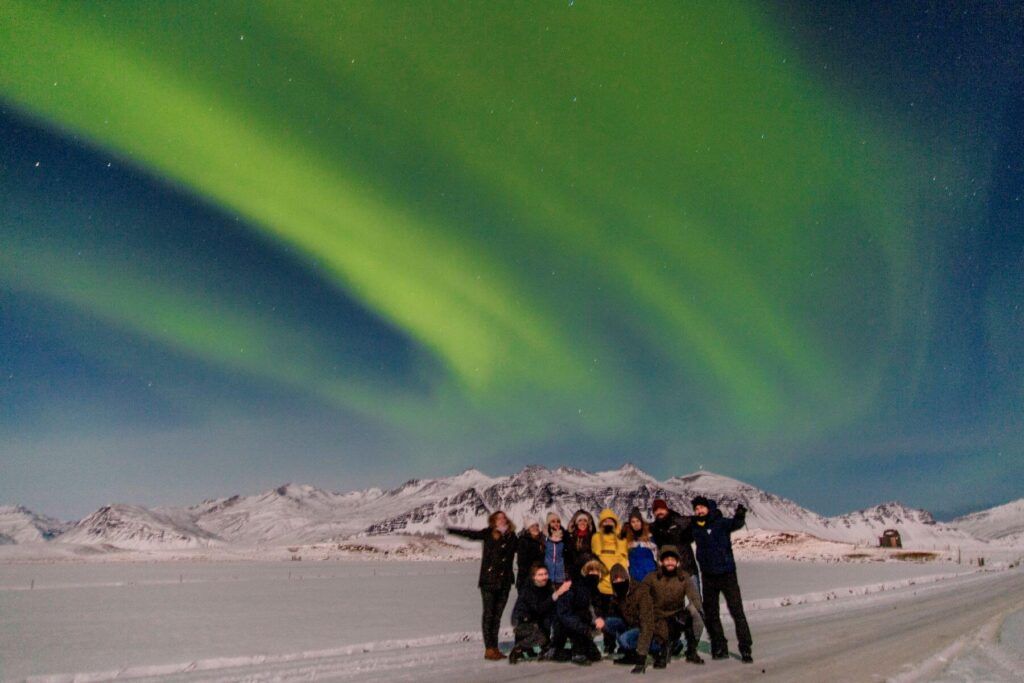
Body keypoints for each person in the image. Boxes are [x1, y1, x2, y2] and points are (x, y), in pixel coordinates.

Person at [447, 510, 518, 660]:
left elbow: (524, 548)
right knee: (488, 615)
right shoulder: (488, 533)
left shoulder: (512, 537)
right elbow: (470, 534)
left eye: (504, 517)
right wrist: (451, 530)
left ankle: (495, 648)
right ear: (493, 521)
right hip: (488, 581)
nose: (502, 520)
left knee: (497, 617)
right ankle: (489, 649)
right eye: (498, 518)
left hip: (505, 582)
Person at [691, 496, 753, 663]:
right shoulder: (695, 527)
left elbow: (736, 524)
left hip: (727, 574)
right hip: (708, 576)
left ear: (709, 508)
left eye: (701, 507)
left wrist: (740, 515)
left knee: (737, 611)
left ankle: (745, 648)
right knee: (711, 613)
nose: (699, 511)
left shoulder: (721, 522)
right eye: (696, 509)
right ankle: (719, 647)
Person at [633, 545, 705, 674]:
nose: (670, 563)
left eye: (673, 559)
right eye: (666, 560)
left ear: (678, 562)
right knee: (653, 634)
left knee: (696, 613)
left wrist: (694, 611)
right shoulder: (652, 578)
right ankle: (662, 648)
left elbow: (695, 597)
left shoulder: (684, 577)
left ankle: (691, 651)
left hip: (677, 617)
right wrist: (640, 661)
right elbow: (641, 595)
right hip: (658, 619)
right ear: (661, 562)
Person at [649, 498, 702, 659]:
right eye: (656, 510)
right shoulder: (655, 528)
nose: (659, 512)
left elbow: (699, 520)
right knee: (671, 610)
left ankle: (692, 646)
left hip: (688, 571)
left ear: (667, 509)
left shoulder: (680, 521)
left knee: (696, 608)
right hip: (669, 575)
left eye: (661, 509)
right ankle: (673, 642)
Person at [509, 562, 572, 664]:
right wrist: (556, 594)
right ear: (534, 577)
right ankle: (519, 648)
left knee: (549, 630)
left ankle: (542, 647)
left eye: (545, 574)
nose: (544, 577)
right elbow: (538, 608)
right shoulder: (528, 589)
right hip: (522, 620)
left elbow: (549, 608)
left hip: (538, 619)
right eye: (540, 575)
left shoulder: (548, 586)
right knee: (540, 637)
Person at [550, 559, 606, 665]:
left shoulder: (595, 591)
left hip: (583, 626)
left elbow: (598, 608)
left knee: (594, 656)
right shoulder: (575, 587)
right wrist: (582, 628)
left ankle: (575, 651)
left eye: (597, 572)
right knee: (578, 653)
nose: (594, 575)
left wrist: (600, 618)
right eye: (591, 571)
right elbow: (565, 613)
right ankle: (559, 650)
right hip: (567, 625)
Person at [591, 508, 629, 654]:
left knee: (619, 616)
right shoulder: (596, 538)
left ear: (615, 523)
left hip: (617, 585)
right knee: (604, 617)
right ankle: (609, 644)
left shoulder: (621, 539)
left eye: (610, 521)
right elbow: (595, 558)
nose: (607, 523)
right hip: (601, 585)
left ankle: (623, 643)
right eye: (605, 521)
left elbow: (623, 560)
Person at [621, 507, 658, 582]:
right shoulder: (627, 540)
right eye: (633, 522)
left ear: (641, 522)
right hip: (634, 577)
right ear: (630, 524)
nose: (636, 524)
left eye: (638, 521)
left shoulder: (650, 537)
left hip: (650, 575)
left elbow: (656, 556)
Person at [563, 509, 596, 576]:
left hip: (588, 571)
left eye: (585, 520)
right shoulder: (569, 536)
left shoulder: (593, 537)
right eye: (580, 520)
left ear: (588, 523)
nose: (582, 523)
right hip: (573, 571)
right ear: (576, 523)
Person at [516, 518, 546, 590]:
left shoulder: (542, 540)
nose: (535, 528)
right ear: (528, 529)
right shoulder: (523, 541)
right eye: (532, 526)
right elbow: (522, 562)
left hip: (539, 578)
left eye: (537, 526)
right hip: (526, 579)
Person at [544, 512, 567, 587]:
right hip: (546, 574)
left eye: (558, 521)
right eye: (553, 521)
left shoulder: (564, 537)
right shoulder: (544, 537)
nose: (556, 523)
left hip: (560, 575)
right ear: (549, 524)